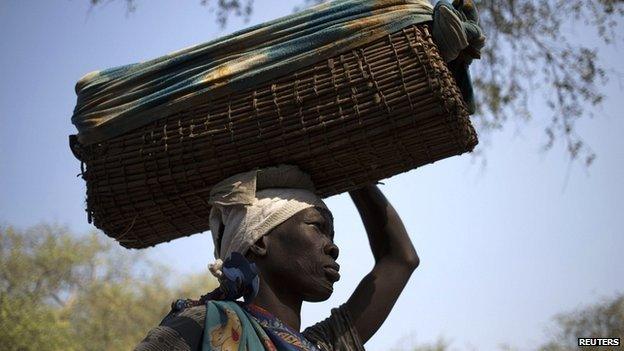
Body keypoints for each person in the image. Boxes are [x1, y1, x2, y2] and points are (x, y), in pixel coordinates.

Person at [135, 165, 419, 350]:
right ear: (260, 242)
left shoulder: (320, 346)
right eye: (318, 228)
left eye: (331, 235)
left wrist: (356, 172)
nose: (332, 247)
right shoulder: (203, 324)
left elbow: (400, 259)